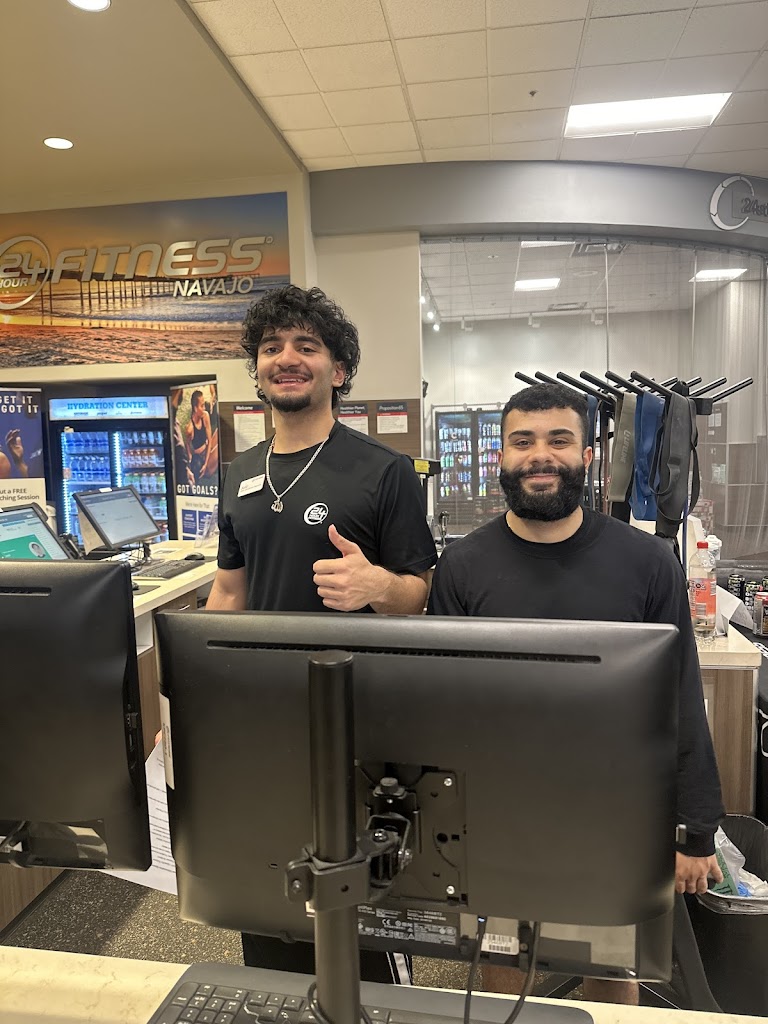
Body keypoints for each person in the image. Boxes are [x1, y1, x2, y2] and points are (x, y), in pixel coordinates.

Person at [428, 382, 725, 1004]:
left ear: (588, 455)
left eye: (559, 440)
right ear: (501, 458)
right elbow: (444, 706)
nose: (540, 455)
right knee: (504, 965)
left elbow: (679, 696)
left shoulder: (646, 562)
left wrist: (695, 828)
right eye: (523, 441)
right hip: (497, 810)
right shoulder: (462, 566)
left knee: (611, 971)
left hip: (615, 808)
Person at [210, 284, 436, 981]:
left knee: (358, 900)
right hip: (260, 719)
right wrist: (188, 695)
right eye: (271, 347)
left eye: (306, 346)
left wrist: (376, 587)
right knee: (266, 890)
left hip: (358, 722)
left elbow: (420, 596)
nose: (286, 358)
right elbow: (228, 592)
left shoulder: (385, 471)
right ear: (257, 370)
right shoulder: (238, 474)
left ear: (338, 370)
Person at [185, 389, 212, 483]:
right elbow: (187, 445)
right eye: (202, 406)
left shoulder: (205, 416)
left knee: (217, 436)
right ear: (195, 408)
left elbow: (210, 440)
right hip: (199, 457)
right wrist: (191, 460)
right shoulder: (190, 428)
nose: (204, 408)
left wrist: (206, 463)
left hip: (207, 451)